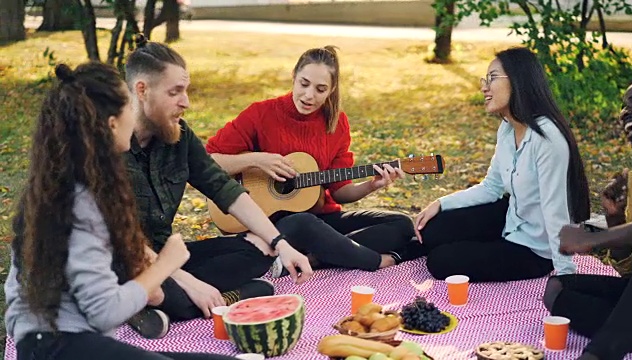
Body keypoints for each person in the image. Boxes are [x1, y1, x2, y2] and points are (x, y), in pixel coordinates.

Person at [4, 62, 240, 360]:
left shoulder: (56, 184)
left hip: (48, 343)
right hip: (58, 347)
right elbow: (105, 312)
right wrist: (166, 264)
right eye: (129, 104)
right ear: (112, 123)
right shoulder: (80, 198)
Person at [122, 35, 312, 338]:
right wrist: (190, 282)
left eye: (186, 90)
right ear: (142, 90)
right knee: (152, 282)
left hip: (163, 256)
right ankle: (213, 298)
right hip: (120, 261)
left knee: (256, 250)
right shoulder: (103, 146)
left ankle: (153, 303)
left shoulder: (179, 135)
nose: (186, 102)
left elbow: (225, 189)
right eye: (175, 92)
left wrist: (281, 244)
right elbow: (117, 243)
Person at [206, 46, 417, 277]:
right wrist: (257, 160)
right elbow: (208, 161)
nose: (309, 96)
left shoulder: (336, 123)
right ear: (294, 77)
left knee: (401, 224)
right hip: (272, 227)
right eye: (304, 84)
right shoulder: (261, 114)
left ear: (332, 90)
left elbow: (339, 193)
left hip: (320, 219)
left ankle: (314, 258)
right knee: (302, 222)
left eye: (320, 89)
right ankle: (373, 260)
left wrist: (371, 185)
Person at [413, 47, 591, 282]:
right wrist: (441, 203)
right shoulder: (507, 129)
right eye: (485, 79)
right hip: (509, 218)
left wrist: (566, 273)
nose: (484, 87)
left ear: (519, 80)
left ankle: (484, 248)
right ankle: (482, 243)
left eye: (493, 78)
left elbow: (555, 209)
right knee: (433, 228)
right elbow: (491, 187)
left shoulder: (548, 138)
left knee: (441, 261)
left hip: (534, 249)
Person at [544, 74, 632, 360]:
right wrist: (614, 216)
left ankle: (600, 353)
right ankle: (626, 332)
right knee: (558, 288)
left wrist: (593, 237)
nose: (625, 112)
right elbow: (629, 269)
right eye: (623, 106)